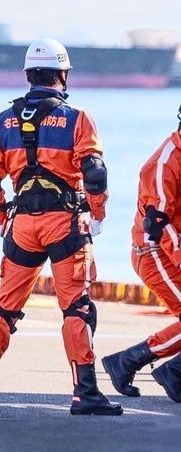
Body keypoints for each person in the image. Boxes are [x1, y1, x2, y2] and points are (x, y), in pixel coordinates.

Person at [0, 37, 123, 416]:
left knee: (4, 307)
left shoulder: (1, 121)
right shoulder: (76, 118)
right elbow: (95, 175)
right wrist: (98, 214)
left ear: (27, 74)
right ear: (63, 75)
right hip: (65, 226)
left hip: (21, 225)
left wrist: (1, 213)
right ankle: (84, 393)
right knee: (76, 308)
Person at [102, 106, 181, 403]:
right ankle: (147, 365)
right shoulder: (164, 163)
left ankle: (153, 367)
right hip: (155, 252)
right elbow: (157, 224)